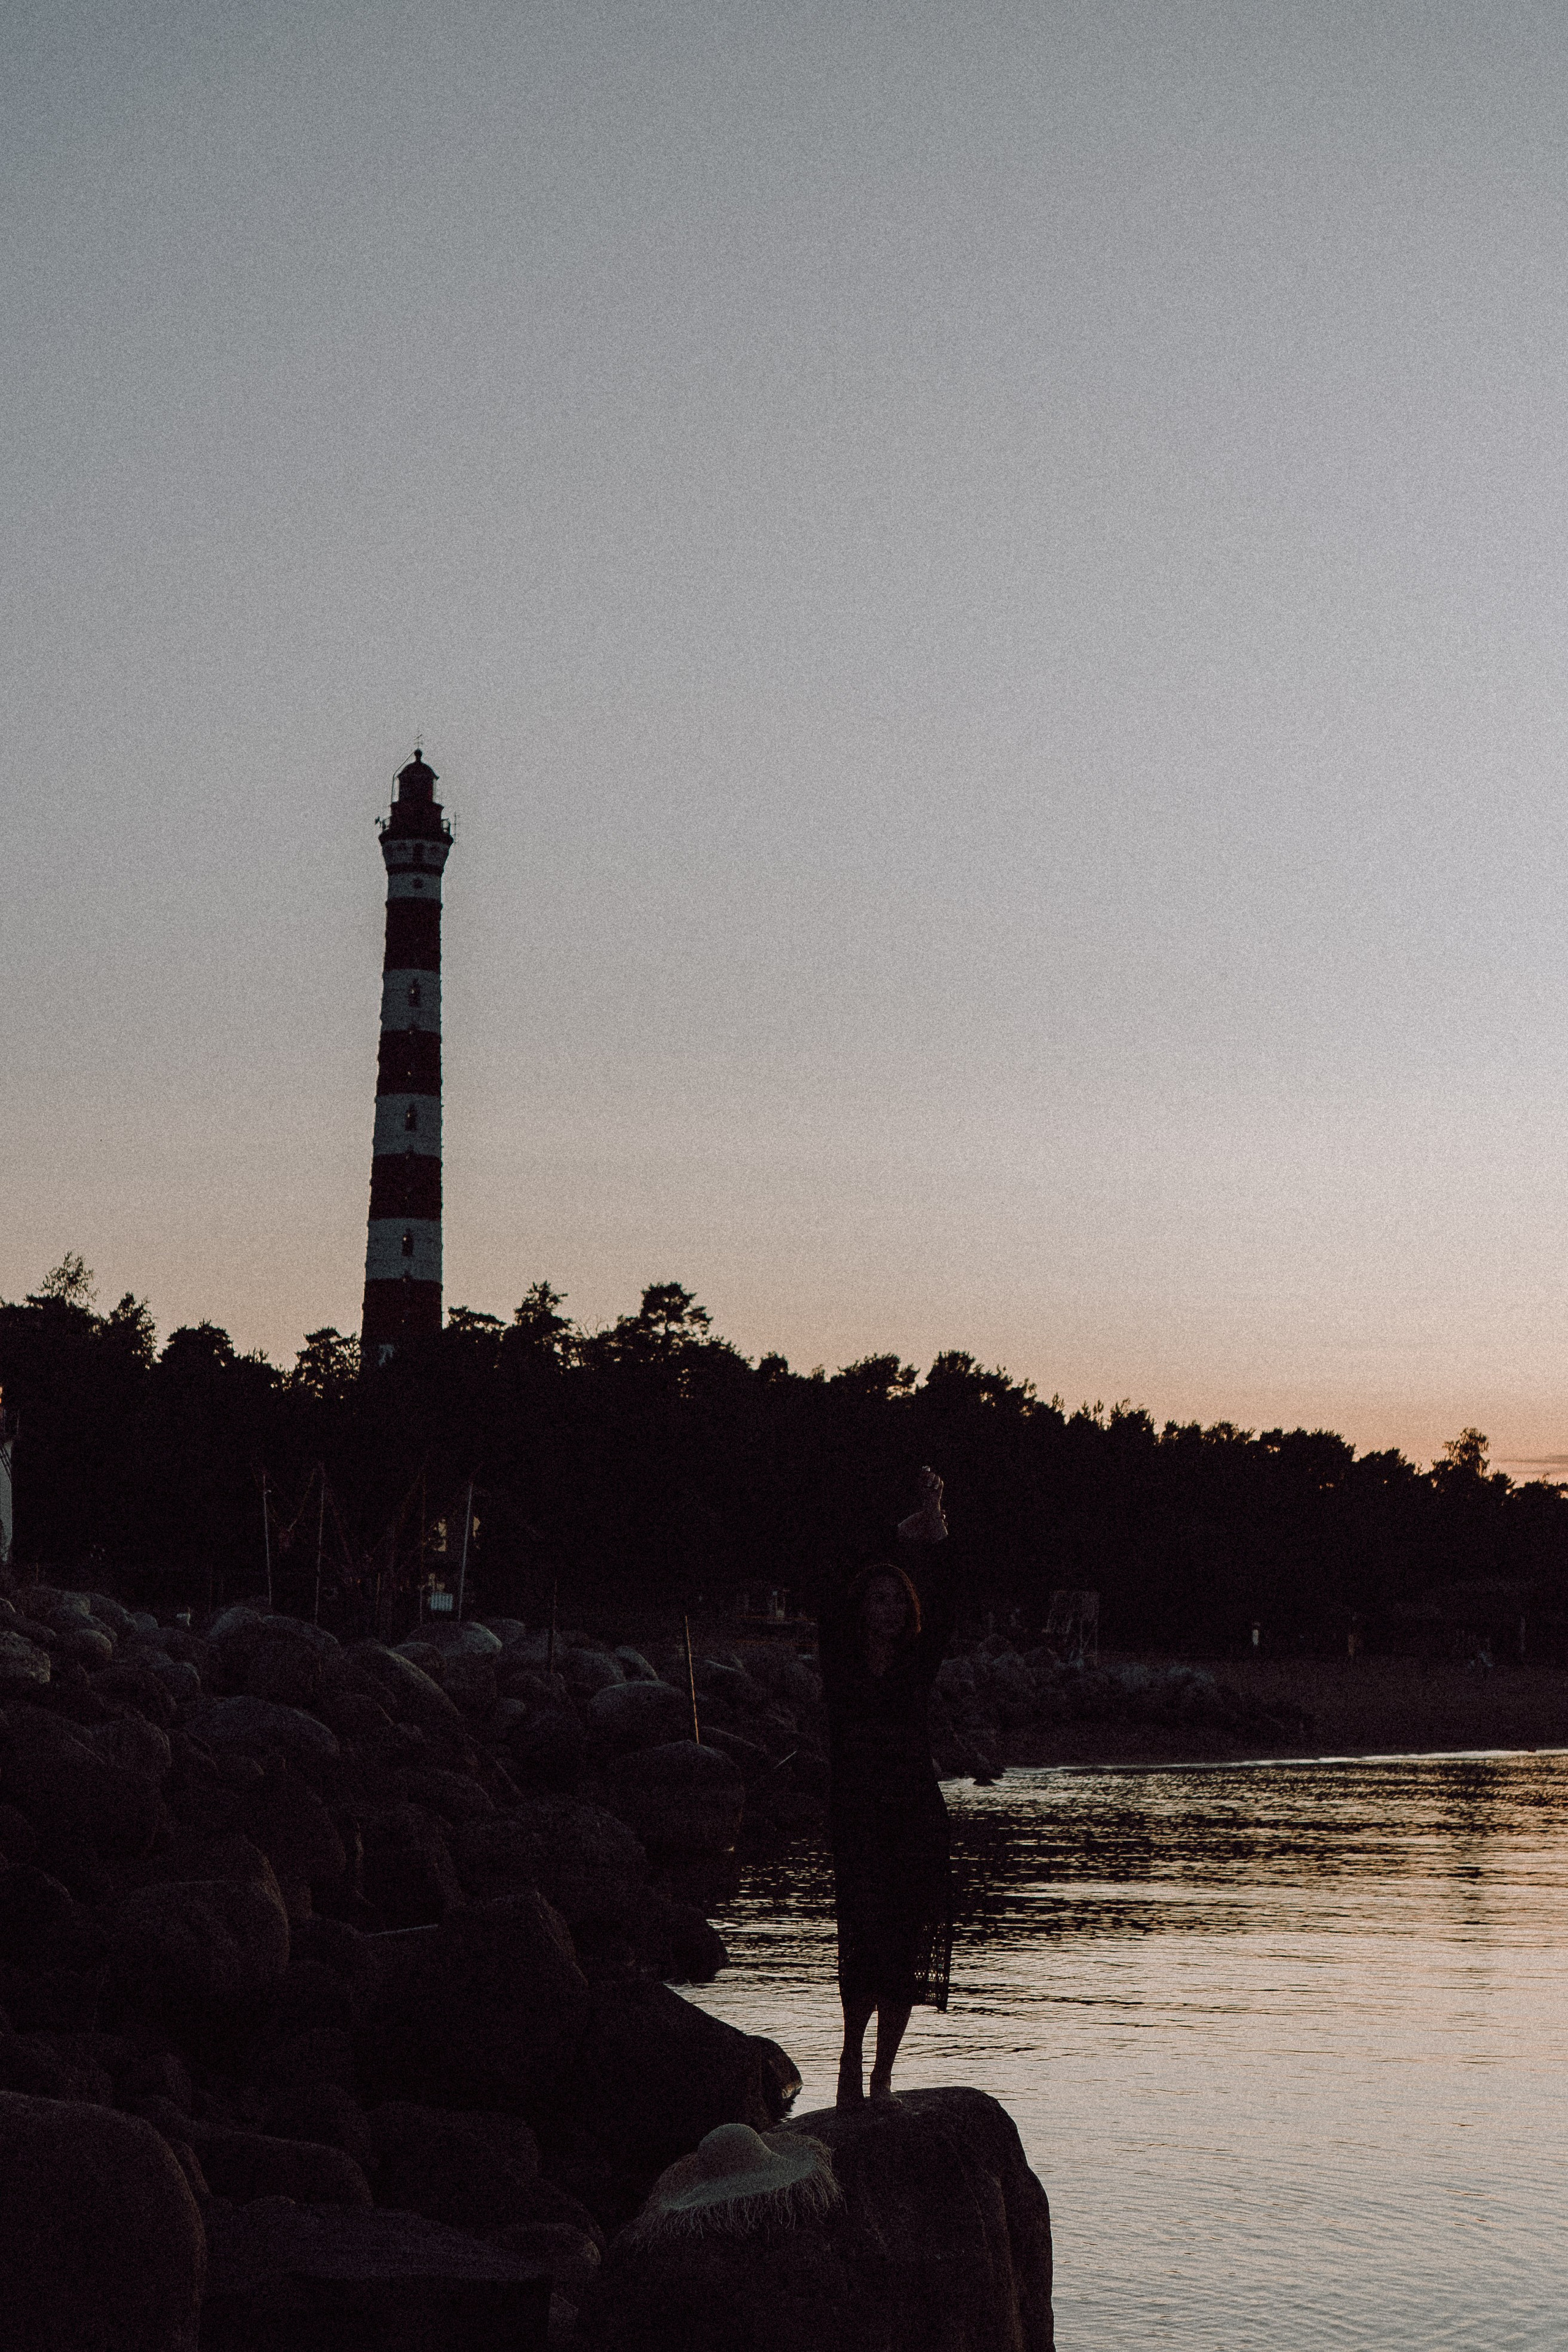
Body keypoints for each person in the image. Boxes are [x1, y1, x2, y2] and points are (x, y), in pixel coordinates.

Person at [816, 1464, 956, 2108]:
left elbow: (949, 1583)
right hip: (856, 1816)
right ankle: (849, 2061)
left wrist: (934, 1511)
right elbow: (834, 1567)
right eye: (879, 1598)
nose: (890, 1608)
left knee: (904, 1948)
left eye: (899, 1600)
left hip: (914, 1816)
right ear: (860, 1607)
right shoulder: (839, 1657)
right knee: (861, 1945)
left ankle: (881, 2078)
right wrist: (895, 1532)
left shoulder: (919, 1662)